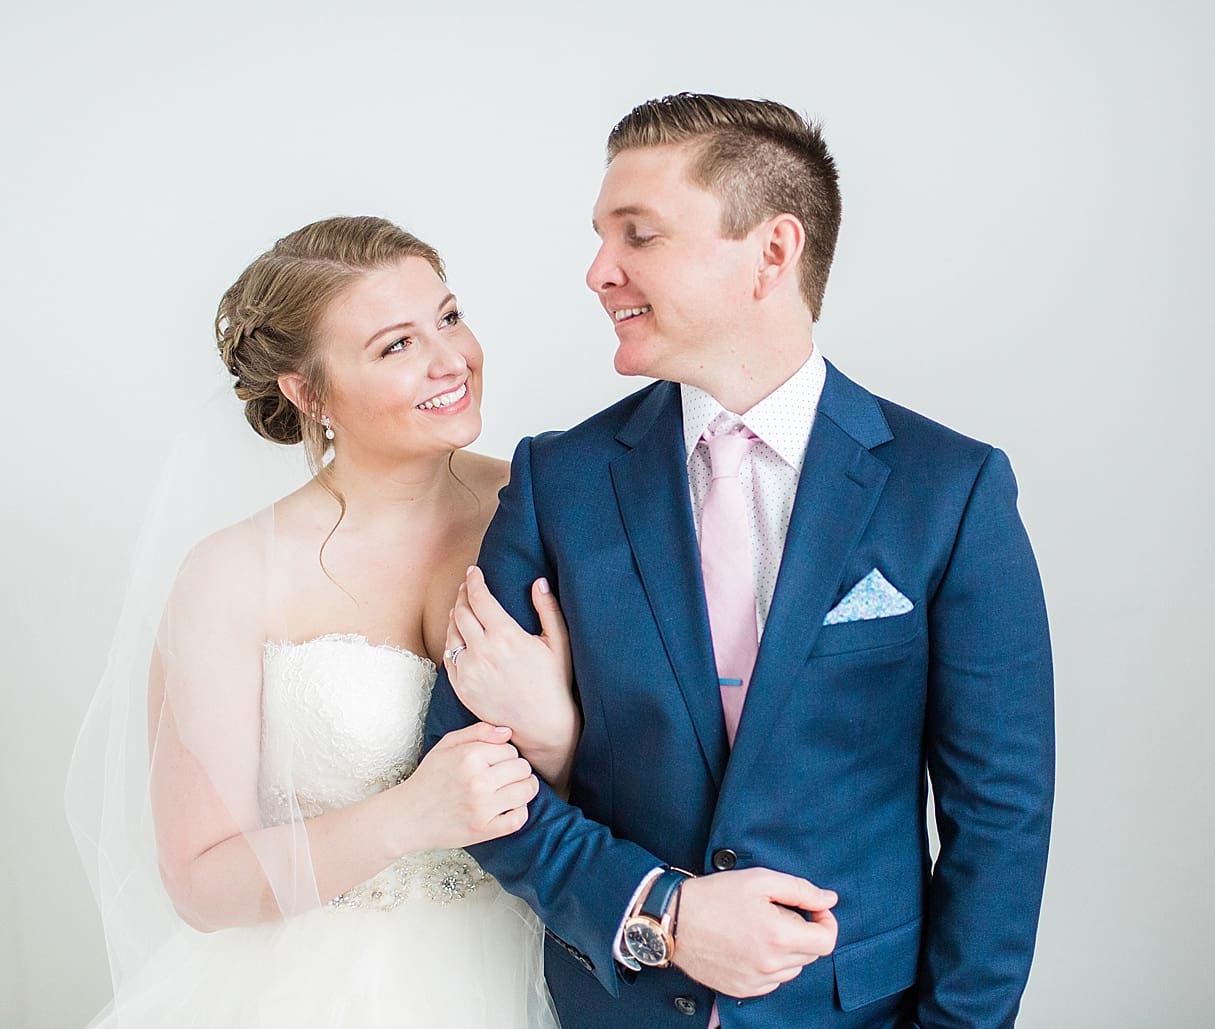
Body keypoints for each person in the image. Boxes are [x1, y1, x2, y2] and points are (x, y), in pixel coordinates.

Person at [426, 94, 1055, 1028]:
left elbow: (999, 818)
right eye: (600, 237)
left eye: (638, 235)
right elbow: (464, 768)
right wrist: (658, 912)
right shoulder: (558, 479)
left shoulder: (949, 490)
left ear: (771, 252)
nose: (599, 271)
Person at [69, 216, 571, 1028]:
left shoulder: (554, 507)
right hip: (320, 991)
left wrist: (557, 734)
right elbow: (199, 878)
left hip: (553, 967)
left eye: (447, 317)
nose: (451, 361)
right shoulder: (233, 575)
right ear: (308, 392)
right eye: (394, 345)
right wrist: (411, 814)